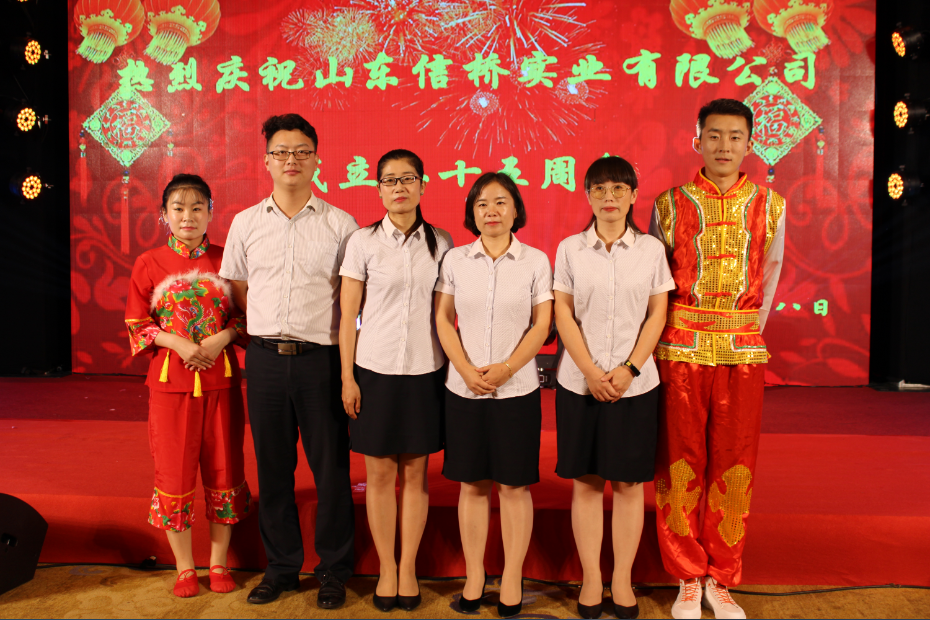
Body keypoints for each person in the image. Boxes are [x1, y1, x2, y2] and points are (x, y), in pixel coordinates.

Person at [649, 99, 786, 620]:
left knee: (735, 464)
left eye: (734, 136)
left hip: (742, 351)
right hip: (679, 349)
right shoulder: (669, 204)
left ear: (749, 143)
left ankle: (721, 577)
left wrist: (745, 329)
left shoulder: (772, 205)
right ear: (697, 140)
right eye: (714, 135)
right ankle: (686, 575)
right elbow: (657, 283)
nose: (724, 146)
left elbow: (770, 276)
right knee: (679, 462)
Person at [219, 114, 359, 608]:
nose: (291, 160)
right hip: (264, 362)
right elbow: (238, 286)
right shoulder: (246, 222)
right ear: (266, 161)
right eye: (281, 152)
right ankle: (280, 567)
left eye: (302, 151)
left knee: (331, 470)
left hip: (321, 360)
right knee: (273, 468)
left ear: (317, 159)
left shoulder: (341, 225)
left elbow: (351, 298)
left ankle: (334, 569)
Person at [553, 156, 674, 619]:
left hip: (634, 387)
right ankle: (591, 578)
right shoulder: (570, 249)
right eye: (600, 189)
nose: (609, 197)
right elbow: (563, 313)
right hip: (579, 384)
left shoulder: (650, 250)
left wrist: (630, 369)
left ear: (633, 195)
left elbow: (657, 314)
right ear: (587, 195)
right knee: (586, 483)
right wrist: (588, 370)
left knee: (627, 484)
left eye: (618, 189)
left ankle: (621, 578)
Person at [124, 173, 252, 598]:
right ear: (164, 214)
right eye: (178, 208)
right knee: (173, 472)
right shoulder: (148, 262)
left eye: (197, 208)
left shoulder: (226, 259)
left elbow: (247, 316)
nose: (188, 216)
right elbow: (137, 324)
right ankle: (184, 567)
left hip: (221, 381)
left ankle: (218, 562)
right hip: (170, 384)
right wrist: (177, 342)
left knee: (225, 469)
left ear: (210, 213)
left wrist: (222, 337)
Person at [338, 149, 454, 612]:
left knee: (416, 474)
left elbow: (445, 313)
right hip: (375, 370)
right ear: (379, 189)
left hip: (425, 370)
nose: (399, 188)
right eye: (390, 180)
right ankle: (387, 567)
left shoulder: (442, 242)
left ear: (423, 185)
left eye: (408, 179)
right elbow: (348, 316)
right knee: (381, 474)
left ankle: (409, 568)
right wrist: (347, 377)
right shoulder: (362, 242)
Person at [434, 172, 553, 619]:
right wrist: (466, 370)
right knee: (473, 484)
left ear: (516, 209)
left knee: (514, 485)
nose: (491, 211)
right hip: (463, 390)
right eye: (482, 203)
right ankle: (474, 575)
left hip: (516, 390)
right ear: (472, 212)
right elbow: (443, 319)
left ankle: (513, 576)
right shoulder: (455, 260)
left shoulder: (535, 261)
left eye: (501, 202)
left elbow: (542, 325)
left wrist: (506, 369)